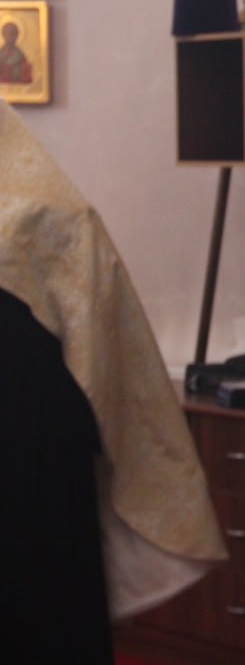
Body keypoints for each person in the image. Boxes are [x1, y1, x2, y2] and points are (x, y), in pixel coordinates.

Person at [0, 99, 226, 660]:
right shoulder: (52, 213)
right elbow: (109, 363)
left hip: (29, 467)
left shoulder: (52, 215)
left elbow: (98, 350)